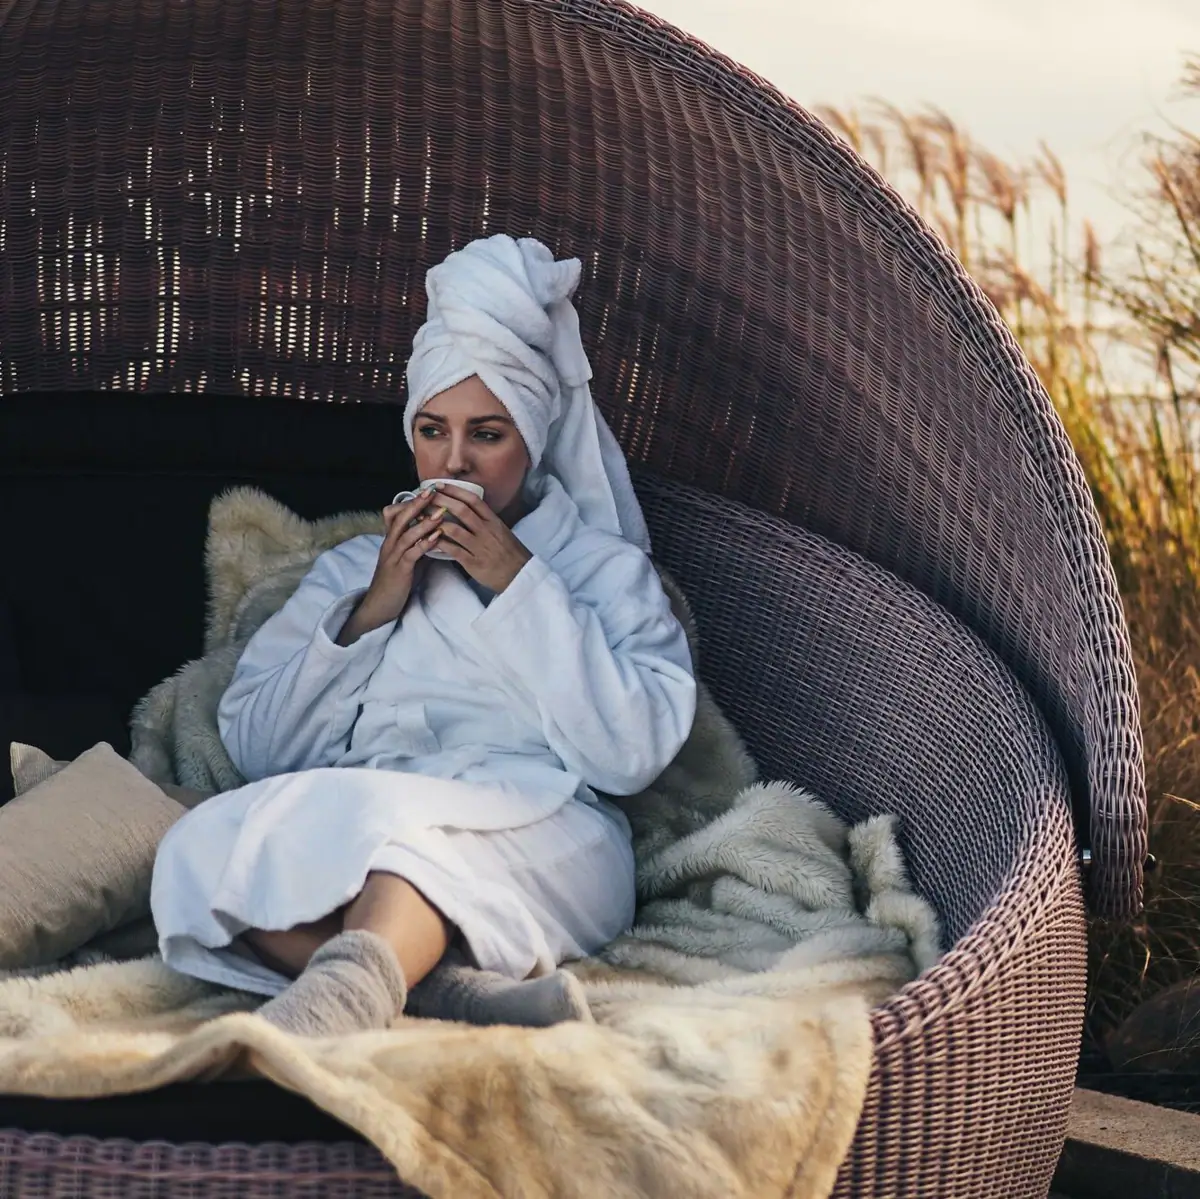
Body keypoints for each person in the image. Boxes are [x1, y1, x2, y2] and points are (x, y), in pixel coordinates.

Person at [149, 234, 698, 1036]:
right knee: (199, 850)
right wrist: (374, 608)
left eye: (487, 434)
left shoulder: (601, 570)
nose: (455, 463)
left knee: (406, 854)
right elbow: (259, 748)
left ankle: (327, 1013)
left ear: (532, 436)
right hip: (368, 802)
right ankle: (440, 989)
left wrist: (519, 583)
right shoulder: (356, 570)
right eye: (433, 430)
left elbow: (630, 755)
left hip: (542, 829)